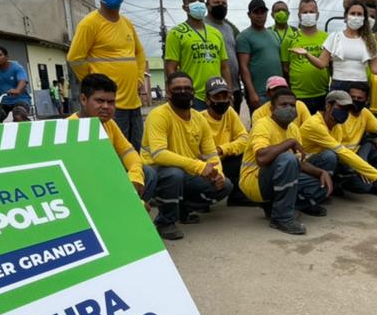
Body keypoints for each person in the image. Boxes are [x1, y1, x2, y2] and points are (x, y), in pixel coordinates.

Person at [141, 72, 230, 240]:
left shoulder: (198, 118)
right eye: (177, 89)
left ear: (194, 92)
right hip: (156, 171)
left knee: (225, 185)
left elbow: (211, 153)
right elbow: (159, 154)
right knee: (174, 174)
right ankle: (164, 222)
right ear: (168, 92)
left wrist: (218, 173)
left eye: (187, 88)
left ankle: (182, 209)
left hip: (186, 171)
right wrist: (198, 166)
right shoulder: (158, 115)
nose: (183, 92)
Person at [67, 0, 149, 147]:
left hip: (132, 104)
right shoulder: (89, 23)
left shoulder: (127, 23)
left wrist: (139, 78)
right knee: (112, 155)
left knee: (134, 151)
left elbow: (140, 54)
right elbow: (75, 58)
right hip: (109, 106)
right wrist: (94, 85)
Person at [239, 87, 333, 235]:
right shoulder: (263, 124)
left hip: (275, 176)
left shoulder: (293, 128)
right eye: (283, 105)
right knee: (287, 159)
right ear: (272, 108)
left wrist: (321, 172)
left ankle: (277, 207)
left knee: (320, 184)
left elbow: (299, 162)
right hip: (254, 180)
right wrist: (288, 143)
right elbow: (261, 158)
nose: (289, 108)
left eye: (292, 105)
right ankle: (281, 218)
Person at [65, 73, 153, 200]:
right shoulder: (69, 128)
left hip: (108, 178)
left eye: (111, 102)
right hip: (84, 187)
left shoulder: (109, 124)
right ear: (83, 99)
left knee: (147, 173)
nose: (106, 107)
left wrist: (135, 174)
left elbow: (127, 151)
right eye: (100, 101)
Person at [301, 89, 377, 196]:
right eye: (341, 107)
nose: (345, 112)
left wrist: (358, 171)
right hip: (304, 165)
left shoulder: (337, 125)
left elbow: (343, 154)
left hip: (324, 163)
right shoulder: (315, 125)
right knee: (330, 156)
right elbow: (342, 152)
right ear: (328, 106)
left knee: (362, 184)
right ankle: (316, 194)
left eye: (347, 109)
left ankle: (333, 185)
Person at [163, 0, 229, 109]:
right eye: (192, 0)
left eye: (201, 0)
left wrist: (228, 91)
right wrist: (175, 92)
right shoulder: (176, 33)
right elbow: (171, 67)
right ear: (185, 7)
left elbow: (224, 66)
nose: (198, 3)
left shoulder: (216, 33)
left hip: (216, 94)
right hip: (192, 95)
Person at [322, 1, 377, 92]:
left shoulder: (370, 40)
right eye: (353, 13)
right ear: (346, 16)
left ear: (364, 18)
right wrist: (307, 54)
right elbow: (322, 63)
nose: (356, 17)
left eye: (359, 14)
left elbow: (376, 67)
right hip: (338, 84)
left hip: (360, 86)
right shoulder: (334, 37)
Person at [200, 76, 250, 205]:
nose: (222, 101)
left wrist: (222, 149)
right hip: (207, 166)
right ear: (207, 100)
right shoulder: (199, 119)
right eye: (217, 97)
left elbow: (245, 139)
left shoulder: (229, 112)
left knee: (248, 155)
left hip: (224, 158)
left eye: (225, 97)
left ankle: (237, 196)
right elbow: (199, 154)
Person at [280, 0, 331, 113]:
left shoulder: (327, 38)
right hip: (298, 95)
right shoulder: (289, 39)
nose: (308, 14)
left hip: (322, 94)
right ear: (299, 15)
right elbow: (285, 67)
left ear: (317, 14)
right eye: (305, 12)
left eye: (311, 12)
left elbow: (331, 65)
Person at [236, 0, 284, 112]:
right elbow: (243, 67)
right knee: (261, 126)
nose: (260, 15)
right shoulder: (244, 37)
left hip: (278, 91)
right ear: (249, 14)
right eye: (256, 12)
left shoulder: (273, 34)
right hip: (260, 93)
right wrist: (252, 93)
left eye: (262, 12)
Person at [206, 0, 243, 113]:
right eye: (216, 3)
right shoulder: (203, 26)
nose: (221, 6)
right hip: (215, 90)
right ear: (207, 5)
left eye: (224, 3)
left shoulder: (229, 28)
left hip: (234, 87)